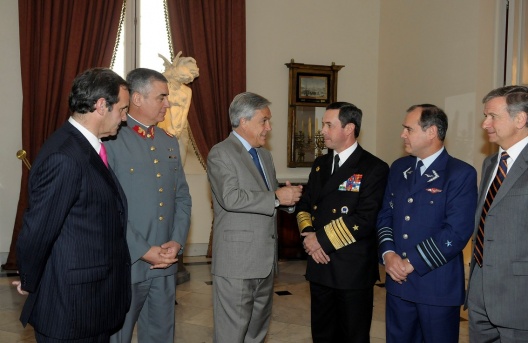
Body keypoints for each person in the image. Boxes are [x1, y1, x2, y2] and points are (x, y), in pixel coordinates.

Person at [13, 68, 131, 342]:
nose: (124, 118)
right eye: (122, 109)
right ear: (102, 105)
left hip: (93, 300)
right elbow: (38, 228)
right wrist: (30, 278)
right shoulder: (66, 155)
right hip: (72, 306)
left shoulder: (85, 146)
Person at [207, 92, 303, 342]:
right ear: (243, 121)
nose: (269, 128)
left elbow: (269, 198)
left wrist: (288, 200)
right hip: (236, 263)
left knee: (257, 333)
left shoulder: (265, 156)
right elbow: (231, 198)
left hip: (265, 261)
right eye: (264, 121)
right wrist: (276, 197)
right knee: (232, 334)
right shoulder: (221, 153)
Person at [377, 104, 477, 343]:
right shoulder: (399, 168)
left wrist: (411, 262)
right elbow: (385, 215)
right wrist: (389, 254)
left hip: (436, 288)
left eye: (408, 129)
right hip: (398, 284)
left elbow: (457, 231)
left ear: (431, 132)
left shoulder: (460, 173)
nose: (402, 134)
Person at [105, 68, 192, 343]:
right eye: (162, 97)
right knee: (117, 335)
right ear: (137, 99)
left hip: (164, 263)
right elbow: (107, 208)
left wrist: (177, 241)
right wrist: (143, 250)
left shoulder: (168, 141)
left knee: (160, 334)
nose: (168, 104)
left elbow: (182, 198)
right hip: (127, 261)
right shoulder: (112, 140)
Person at [296, 101, 389, 342]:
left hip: (351, 269)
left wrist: (320, 241)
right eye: (323, 125)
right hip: (319, 266)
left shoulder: (373, 167)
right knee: (323, 334)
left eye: (329, 125)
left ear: (349, 129)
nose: (323, 130)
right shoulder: (320, 165)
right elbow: (306, 206)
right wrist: (308, 236)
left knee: (353, 335)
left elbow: (365, 218)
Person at [465, 86, 528, 342]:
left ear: (520, 119)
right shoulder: (491, 162)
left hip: (518, 298)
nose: (484, 123)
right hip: (481, 293)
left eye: (492, 116)